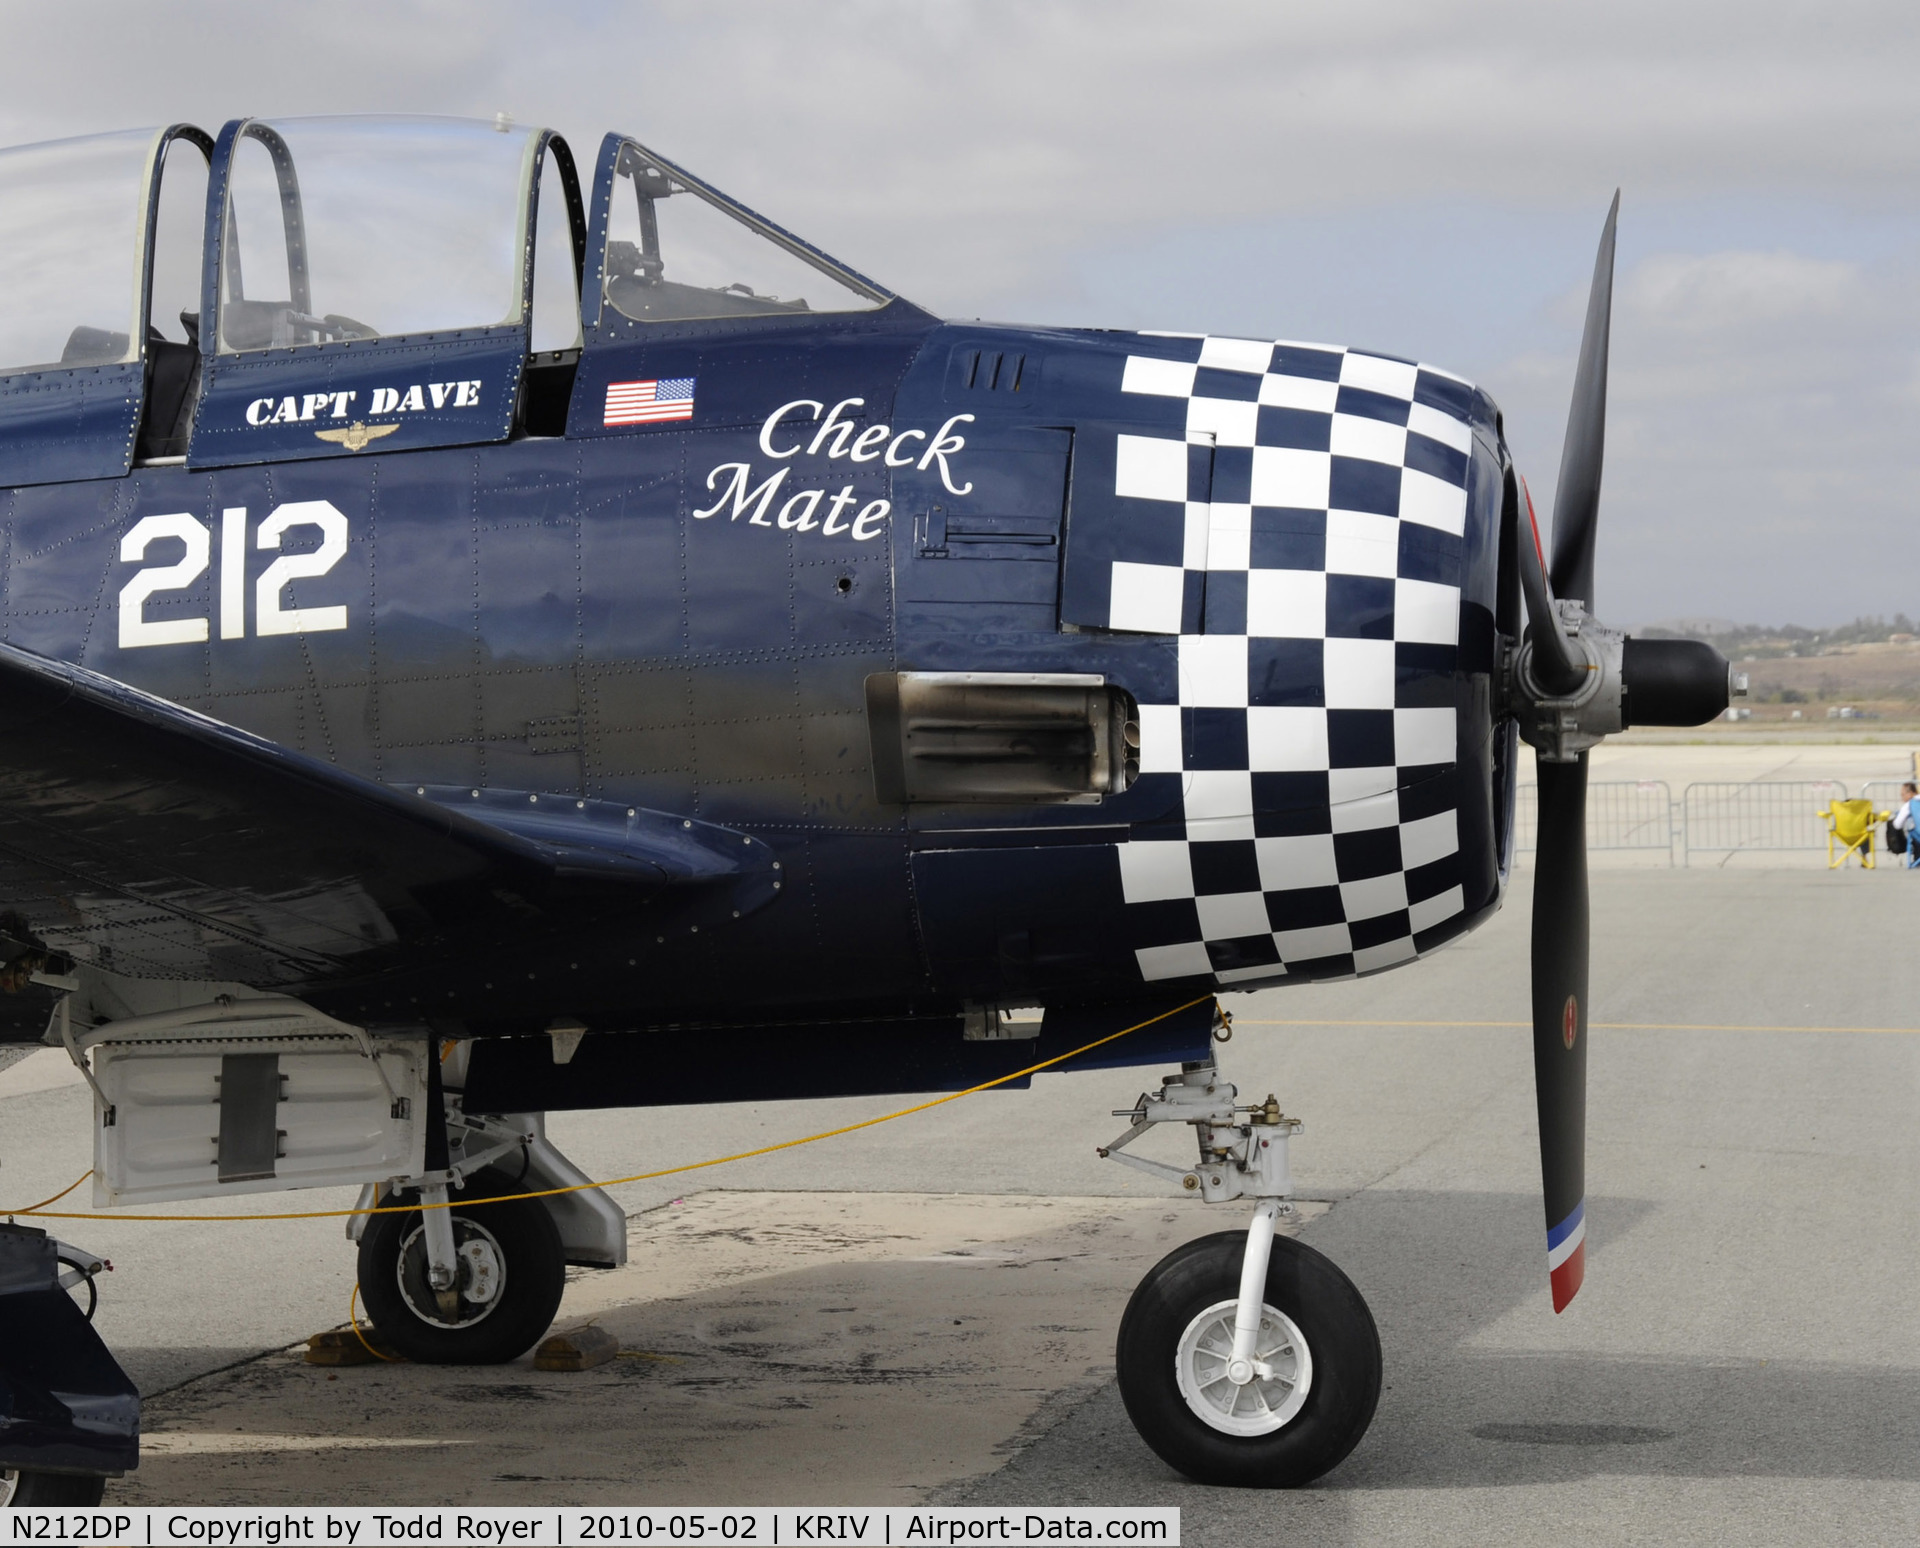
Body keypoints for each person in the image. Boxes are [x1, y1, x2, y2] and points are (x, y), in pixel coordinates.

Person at [1895, 782, 1920, 869]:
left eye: (1903, 795)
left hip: (1918, 835)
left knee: (1913, 834)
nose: (1902, 798)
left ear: (1910, 793)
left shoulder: (1909, 805)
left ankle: (1917, 860)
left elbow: (1897, 824)